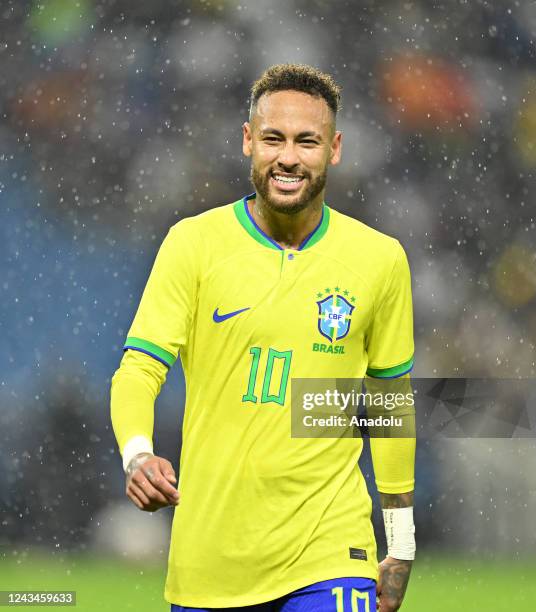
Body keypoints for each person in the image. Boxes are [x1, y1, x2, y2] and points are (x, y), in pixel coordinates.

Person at [111, 63, 416, 612]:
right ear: (248, 141)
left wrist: (401, 542)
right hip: (211, 557)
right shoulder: (193, 244)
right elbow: (139, 368)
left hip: (331, 549)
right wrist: (137, 454)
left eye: (308, 141)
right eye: (273, 138)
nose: (289, 157)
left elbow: (389, 402)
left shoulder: (380, 259)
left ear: (335, 148)